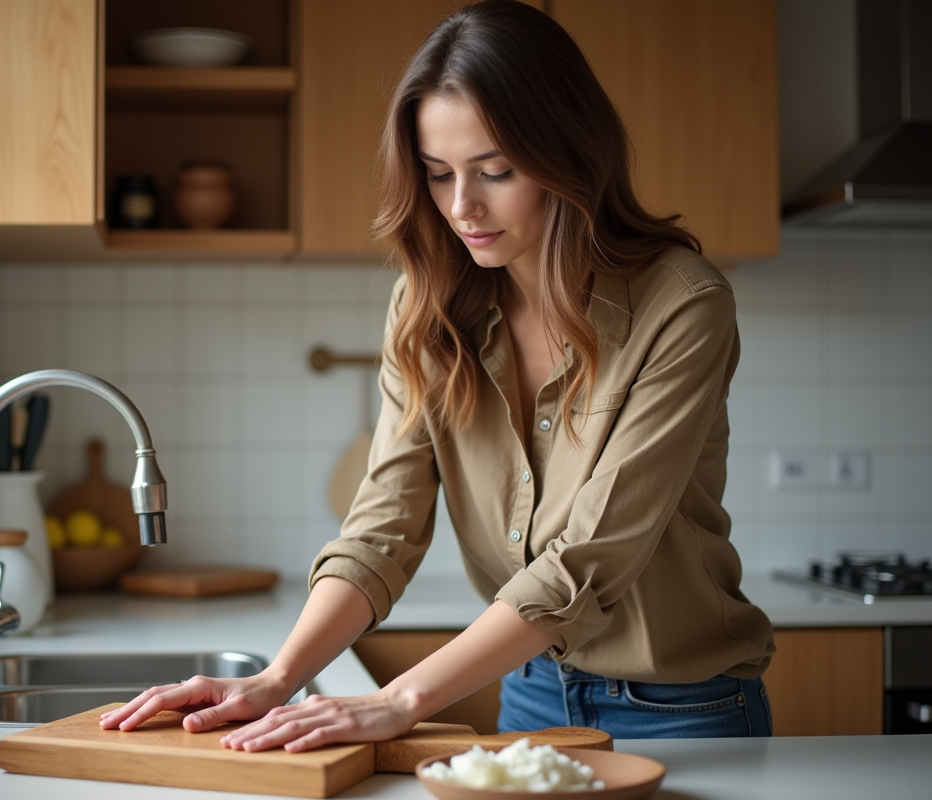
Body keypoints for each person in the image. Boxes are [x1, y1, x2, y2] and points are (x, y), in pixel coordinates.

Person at [100, 0, 775, 748]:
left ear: (569, 155)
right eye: (438, 173)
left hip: (681, 709)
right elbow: (383, 527)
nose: (462, 207)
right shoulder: (426, 307)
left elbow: (589, 557)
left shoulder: (683, 304)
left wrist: (399, 701)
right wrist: (276, 677)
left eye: (496, 171)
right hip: (527, 693)